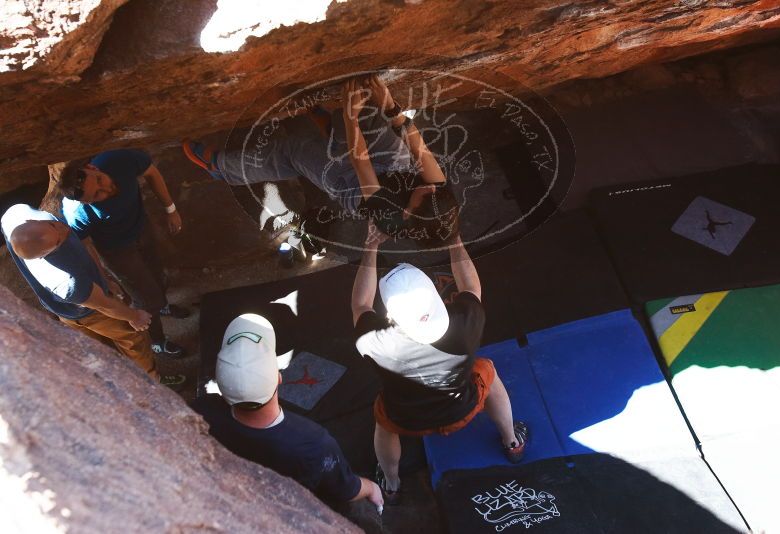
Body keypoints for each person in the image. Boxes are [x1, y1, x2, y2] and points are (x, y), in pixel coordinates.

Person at [351, 224, 528, 503]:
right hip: (463, 409)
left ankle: (392, 483)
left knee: (383, 421)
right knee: (487, 370)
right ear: (436, 296)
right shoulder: (466, 320)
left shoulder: (374, 341)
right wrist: (453, 235)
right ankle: (512, 442)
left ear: (391, 317)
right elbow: (471, 285)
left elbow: (361, 304)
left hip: (406, 419)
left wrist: (370, 246)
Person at [183, 75, 459, 249]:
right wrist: (390, 106)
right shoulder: (439, 197)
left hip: (353, 186)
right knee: (373, 119)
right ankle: (331, 126)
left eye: (428, 194)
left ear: (410, 214)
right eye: (436, 190)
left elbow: (359, 161)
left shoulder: (389, 215)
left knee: (295, 151)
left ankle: (220, 168)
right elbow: (419, 149)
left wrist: (350, 114)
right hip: (397, 170)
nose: (432, 188)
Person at [193, 313, 383, 510]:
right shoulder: (314, 444)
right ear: (279, 378)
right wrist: (371, 488)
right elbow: (346, 489)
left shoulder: (201, 411)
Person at [0, 203, 185, 388]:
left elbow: (84, 245)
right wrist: (135, 316)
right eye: (58, 241)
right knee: (133, 339)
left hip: (67, 308)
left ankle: (120, 383)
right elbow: (104, 305)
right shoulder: (67, 281)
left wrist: (104, 279)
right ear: (45, 254)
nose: (63, 229)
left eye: (53, 225)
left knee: (95, 349)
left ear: (32, 220)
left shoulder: (20, 216)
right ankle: (152, 384)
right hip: (88, 312)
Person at [58, 149, 190, 358]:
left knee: (159, 276)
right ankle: (157, 341)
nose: (106, 190)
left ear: (92, 168)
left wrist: (170, 209)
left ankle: (162, 306)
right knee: (146, 299)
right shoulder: (77, 213)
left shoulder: (118, 161)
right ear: (84, 202)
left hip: (141, 228)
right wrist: (103, 277)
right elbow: (86, 244)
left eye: (100, 180)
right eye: (96, 196)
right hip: (117, 250)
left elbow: (151, 172)